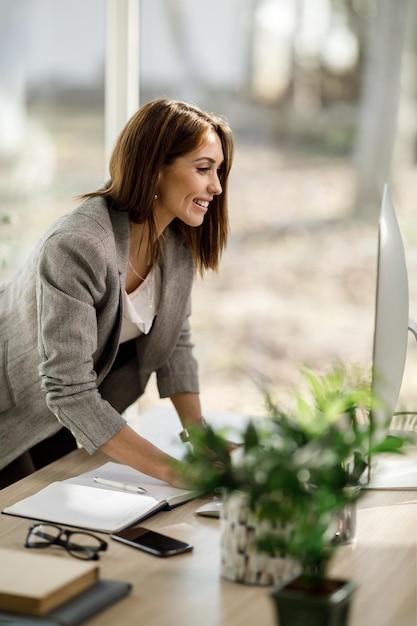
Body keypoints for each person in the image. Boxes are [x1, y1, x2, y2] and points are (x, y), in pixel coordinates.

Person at [0, 98, 234, 489]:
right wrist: (175, 472)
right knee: (17, 525)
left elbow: (175, 342)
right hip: (11, 404)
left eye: (219, 170)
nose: (217, 186)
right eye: (204, 169)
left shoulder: (176, 244)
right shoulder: (79, 245)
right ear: (156, 168)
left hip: (58, 408)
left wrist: (201, 438)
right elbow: (69, 389)